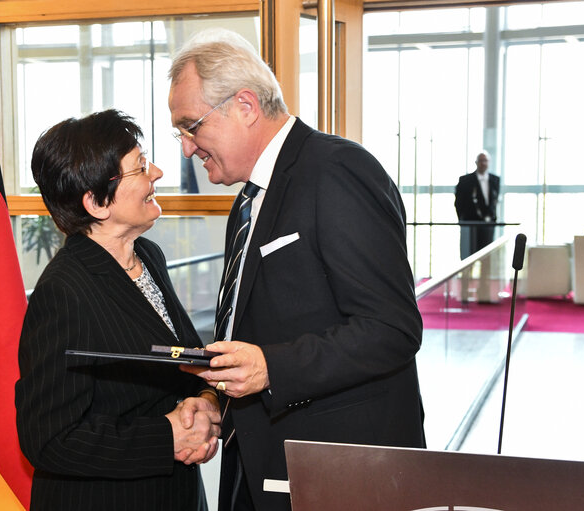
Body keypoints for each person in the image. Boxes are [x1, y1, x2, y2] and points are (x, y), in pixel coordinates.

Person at [168, 30, 425, 511]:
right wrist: (212, 394)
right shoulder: (247, 200)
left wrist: (272, 368)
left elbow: (392, 328)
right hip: (260, 462)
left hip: (338, 472)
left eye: (192, 126)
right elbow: (252, 327)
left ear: (245, 106)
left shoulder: (337, 169)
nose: (186, 148)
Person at [15, 109, 221, 511]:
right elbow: (49, 438)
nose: (158, 173)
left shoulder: (147, 255)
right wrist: (167, 437)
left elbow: (182, 360)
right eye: (141, 167)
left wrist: (205, 401)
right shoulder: (64, 292)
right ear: (96, 202)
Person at [454, 151, 500, 302]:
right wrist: (463, 222)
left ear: (489, 163)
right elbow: (458, 203)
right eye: (480, 161)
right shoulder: (465, 180)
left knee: (486, 261)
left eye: (486, 161)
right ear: (476, 163)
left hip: (487, 228)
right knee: (468, 260)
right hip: (470, 227)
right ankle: (465, 292)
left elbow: (493, 203)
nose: (483, 164)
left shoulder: (495, 180)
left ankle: (484, 293)